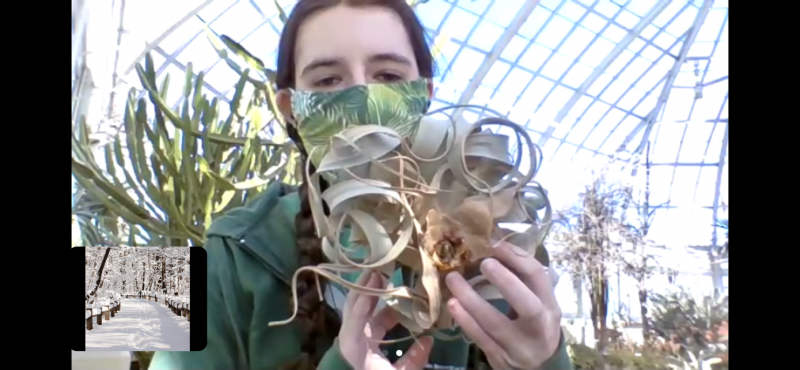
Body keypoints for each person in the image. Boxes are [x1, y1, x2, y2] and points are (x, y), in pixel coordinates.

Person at [150, 1, 573, 369]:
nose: (362, 99)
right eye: (328, 80)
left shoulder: (497, 236)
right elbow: (95, 309)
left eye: (388, 75)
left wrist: (547, 360)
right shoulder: (226, 249)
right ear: (289, 108)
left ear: (424, 94)